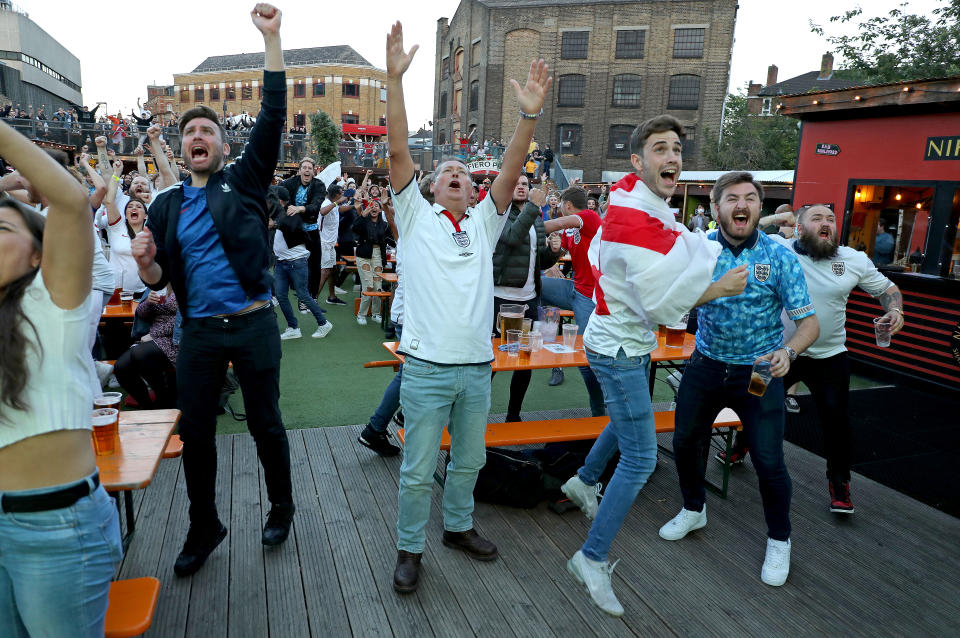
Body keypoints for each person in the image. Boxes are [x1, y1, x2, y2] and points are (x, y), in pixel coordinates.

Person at [385, 20, 551, 594]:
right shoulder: (413, 216)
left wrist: (528, 115)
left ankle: (456, 527)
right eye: (445, 173)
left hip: (477, 367)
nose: (455, 174)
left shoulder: (485, 220)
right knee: (414, 472)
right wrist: (395, 81)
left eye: (462, 172)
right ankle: (410, 549)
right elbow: (399, 148)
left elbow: (509, 171)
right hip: (427, 368)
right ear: (430, 188)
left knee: (469, 462)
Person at [130, 3, 295, 577]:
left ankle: (281, 506)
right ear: (182, 149)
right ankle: (205, 526)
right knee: (196, 432)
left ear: (223, 146)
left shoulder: (245, 182)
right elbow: (160, 282)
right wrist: (148, 263)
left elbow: (273, 113)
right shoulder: (166, 206)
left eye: (208, 130)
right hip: (197, 332)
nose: (198, 136)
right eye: (190, 132)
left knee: (266, 423)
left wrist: (272, 42)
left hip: (252, 323)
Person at [557, 115, 725, 617]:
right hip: (619, 349)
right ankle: (591, 558)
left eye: (676, 148)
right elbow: (664, 307)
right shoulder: (635, 219)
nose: (672, 156)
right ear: (637, 161)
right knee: (641, 458)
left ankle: (585, 479)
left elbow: (675, 241)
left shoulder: (636, 198)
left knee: (630, 420)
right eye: (659, 149)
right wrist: (721, 285)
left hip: (615, 342)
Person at [659, 171, 820, 589]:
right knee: (683, 441)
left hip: (760, 370)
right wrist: (712, 288)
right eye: (731, 197)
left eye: (750, 197)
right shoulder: (697, 250)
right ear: (715, 209)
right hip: (707, 362)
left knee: (769, 461)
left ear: (759, 208)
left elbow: (809, 324)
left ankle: (780, 539)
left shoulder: (779, 256)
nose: (741, 204)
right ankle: (694, 508)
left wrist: (789, 351)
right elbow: (664, 302)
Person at [0, 117, 122, 637]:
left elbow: (72, 202)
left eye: (2, 228)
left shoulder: (52, 302)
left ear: (36, 253)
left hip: (56, 529)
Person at [718, 204, 904, 513]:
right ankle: (740, 447)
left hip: (830, 356)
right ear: (799, 228)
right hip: (775, 350)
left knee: (836, 424)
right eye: (816, 218)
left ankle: (840, 483)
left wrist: (894, 308)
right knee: (751, 401)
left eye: (830, 218)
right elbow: (739, 229)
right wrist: (778, 218)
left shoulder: (853, 259)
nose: (826, 222)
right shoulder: (779, 247)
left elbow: (887, 288)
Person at [492, 175, 562, 422]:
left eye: (525, 183)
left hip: (529, 299)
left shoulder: (536, 219)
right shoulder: (499, 214)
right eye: (516, 183)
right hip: (500, 299)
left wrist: (554, 252)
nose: (521, 186)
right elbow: (511, 239)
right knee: (491, 360)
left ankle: (514, 414)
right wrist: (533, 207)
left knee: (524, 360)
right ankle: (474, 413)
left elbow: (538, 262)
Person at [539, 186, 605, 416]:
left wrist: (529, 227)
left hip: (590, 297)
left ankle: (599, 414)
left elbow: (554, 226)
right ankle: (543, 334)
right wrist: (554, 262)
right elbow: (557, 248)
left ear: (567, 205)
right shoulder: (571, 229)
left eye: (562, 208)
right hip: (574, 289)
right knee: (536, 285)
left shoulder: (589, 217)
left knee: (589, 358)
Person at [114, 287, 179, 408]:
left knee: (140, 354)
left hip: (177, 340)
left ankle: (164, 400)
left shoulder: (185, 283)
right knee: (121, 367)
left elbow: (186, 319)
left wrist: (154, 335)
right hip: (154, 338)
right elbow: (141, 313)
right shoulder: (158, 283)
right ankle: (147, 406)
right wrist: (148, 302)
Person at [279, 158, 326, 311]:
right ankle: (286, 295)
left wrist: (299, 208)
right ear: (299, 170)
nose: (307, 170)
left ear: (313, 171)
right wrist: (285, 208)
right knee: (289, 263)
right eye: (304, 168)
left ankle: (311, 297)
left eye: (309, 168)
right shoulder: (289, 183)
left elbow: (316, 206)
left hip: (311, 230)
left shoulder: (319, 185)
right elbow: (277, 196)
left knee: (314, 264)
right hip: (293, 231)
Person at [352, 199, 394, 325]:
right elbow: (354, 228)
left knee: (378, 286)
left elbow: (392, 240)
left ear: (380, 210)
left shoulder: (385, 225)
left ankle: (376, 313)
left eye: (377, 206)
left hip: (377, 256)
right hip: (363, 255)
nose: (374, 208)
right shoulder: (364, 221)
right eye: (372, 206)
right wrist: (363, 213)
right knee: (368, 285)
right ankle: (362, 314)